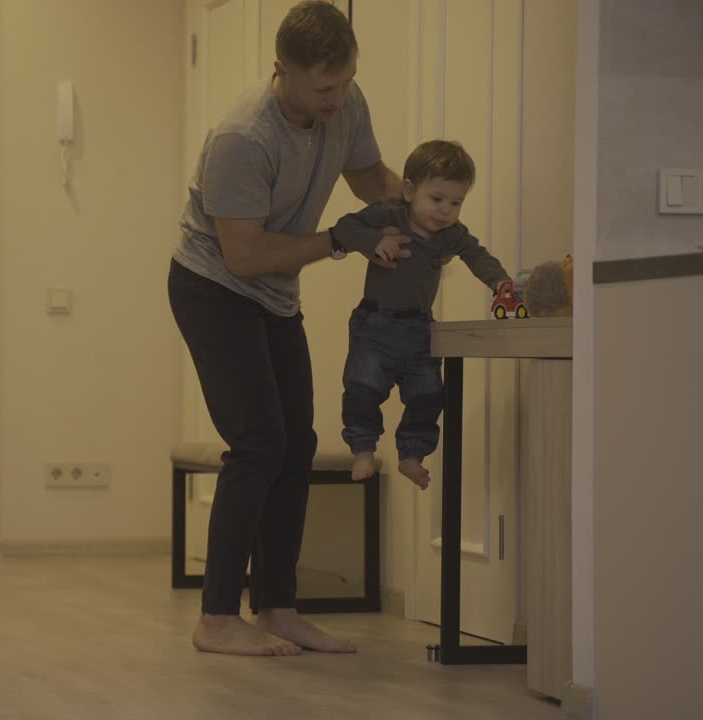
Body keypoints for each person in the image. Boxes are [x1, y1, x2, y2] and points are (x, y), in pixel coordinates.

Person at [167, 0, 405, 657]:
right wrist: (338, 239)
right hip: (212, 288)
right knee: (260, 442)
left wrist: (414, 203)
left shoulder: (346, 105)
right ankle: (216, 618)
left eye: (346, 80)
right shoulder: (243, 137)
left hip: (272, 294)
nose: (338, 97)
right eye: (323, 87)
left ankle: (276, 607)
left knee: (295, 443)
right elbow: (242, 255)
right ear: (283, 71)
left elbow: (364, 176)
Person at [330, 139, 512, 490]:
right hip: (374, 326)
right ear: (410, 190)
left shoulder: (451, 235)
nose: (445, 210)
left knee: (428, 395)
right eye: (437, 199)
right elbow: (345, 227)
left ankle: (412, 454)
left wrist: (501, 284)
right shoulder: (389, 213)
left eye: (456, 202)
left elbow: (478, 255)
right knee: (362, 387)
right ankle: (363, 449)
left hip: (418, 330)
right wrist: (372, 242)